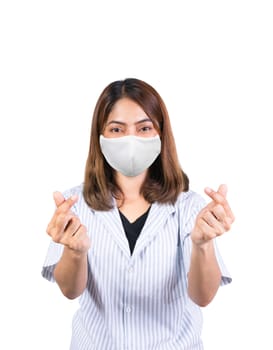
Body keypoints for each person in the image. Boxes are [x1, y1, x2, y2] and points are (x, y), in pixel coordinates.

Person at [42, 78, 235, 350]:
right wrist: (75, 251)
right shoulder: (75, 204)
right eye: (117, 129)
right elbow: (70, 291)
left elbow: (203, 297)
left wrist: (202, 244)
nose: (130, 140)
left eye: (144, 128)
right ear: (100, 136)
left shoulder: (189, 206)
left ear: (160, 134)